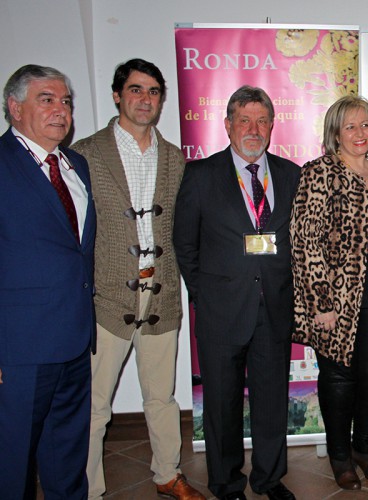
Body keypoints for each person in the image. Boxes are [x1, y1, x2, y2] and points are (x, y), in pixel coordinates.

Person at [71, 59, 203, 500]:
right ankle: (88, 488)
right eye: (135, 90)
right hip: (107, 296)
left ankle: (167, 473)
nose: (144, 99)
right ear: (117, 95)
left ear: (161, 100)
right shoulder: (86, 154)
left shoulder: (174, 157)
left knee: (162, 396)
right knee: (94, 406)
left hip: (161, 292)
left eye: (152, 92)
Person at [173, 86, 300, 500]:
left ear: (271, 125)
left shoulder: (289, 174)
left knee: (271, 402)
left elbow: (299, 242)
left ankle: (268, 477)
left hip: (274, 309)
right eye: (244, 120)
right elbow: (185, 244)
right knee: (223, 406)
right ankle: (227, 484)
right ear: (227, 125)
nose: (253, 129)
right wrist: (205, 295)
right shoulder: (201, 175)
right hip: (221, 312)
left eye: (262, 120)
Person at [291, 95, 368, 490]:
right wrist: (322, 302)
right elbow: (306, 243)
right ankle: (340, 457)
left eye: (366, 125)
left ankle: (366, 450)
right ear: (335, 133)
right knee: (339, 381)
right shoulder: (319, 173)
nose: (360, 133)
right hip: (337, 305)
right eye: (350, 126)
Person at [0, 64, 96, 498]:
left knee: (66, 457)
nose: (61, 110)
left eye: (66, 101)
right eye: (47, 99)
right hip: (19, 349)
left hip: (74, 339)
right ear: (14, 107)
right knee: (12, 462)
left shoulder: (75, 165)